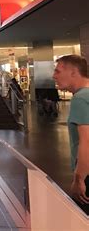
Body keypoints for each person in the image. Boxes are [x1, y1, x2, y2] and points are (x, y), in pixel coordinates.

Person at [52, 55, 89, 213]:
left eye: (58, 71)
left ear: (74, 72)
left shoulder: (80, 99)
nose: (54, 75)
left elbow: (86, 141)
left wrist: (79, 178)